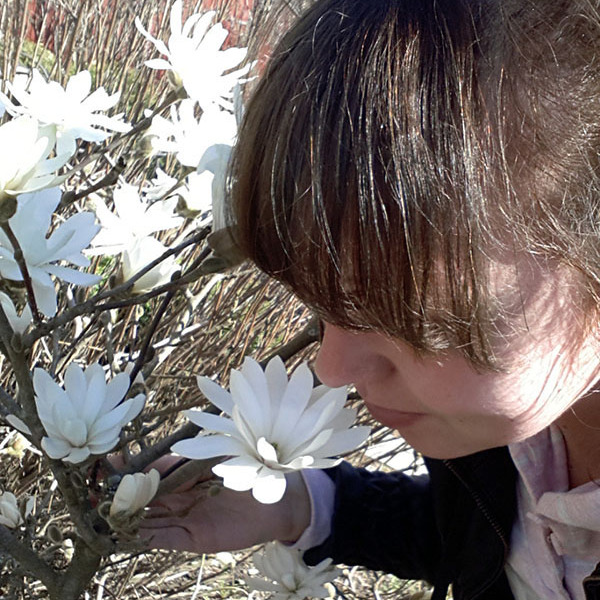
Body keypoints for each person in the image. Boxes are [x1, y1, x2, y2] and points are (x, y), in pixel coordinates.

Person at [140, 1, 600, 598]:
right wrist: (304, 506)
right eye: (319, 306)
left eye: (416, 325)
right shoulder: (501, 433)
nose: (331, 370)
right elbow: (474, 540)